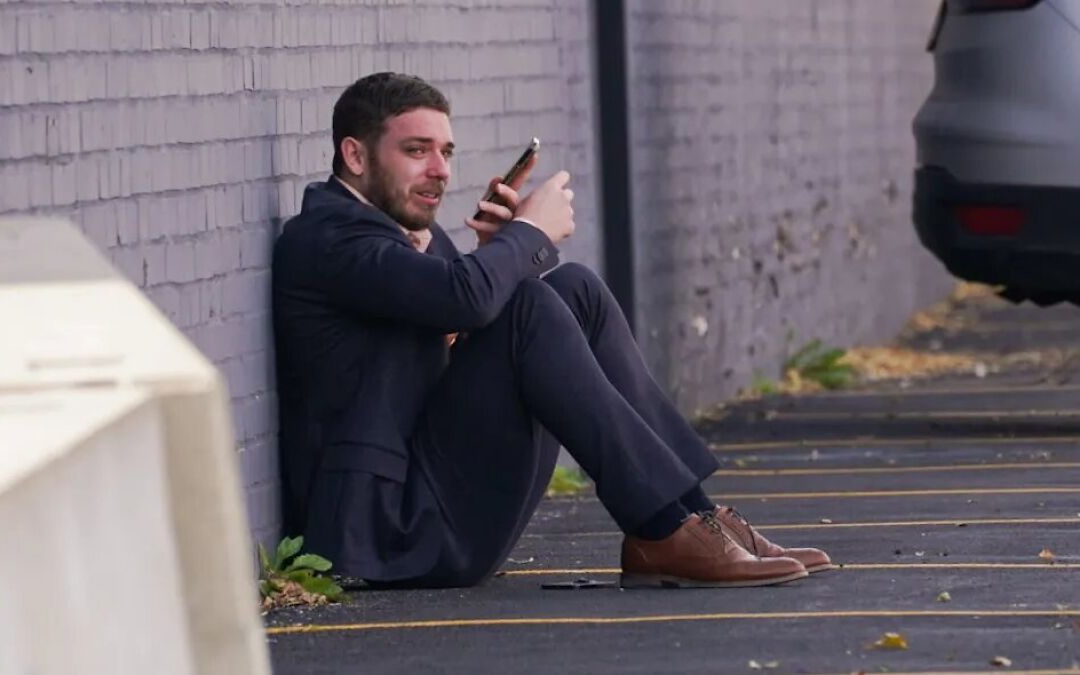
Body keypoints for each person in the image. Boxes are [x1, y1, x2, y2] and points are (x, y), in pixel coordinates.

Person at [271, 72, 830, 589]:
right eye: (416, 151)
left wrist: (499, 254)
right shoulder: (329, 238)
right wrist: (528, 236)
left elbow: (454, 324)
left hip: (433, 494)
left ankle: (691, 515)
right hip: (385, 532)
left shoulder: (413, 238)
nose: (439, 169)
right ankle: (662, 526)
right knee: (528, 304)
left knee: (575, 289)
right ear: (355, 155)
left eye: (446, 152)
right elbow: (463, 300)